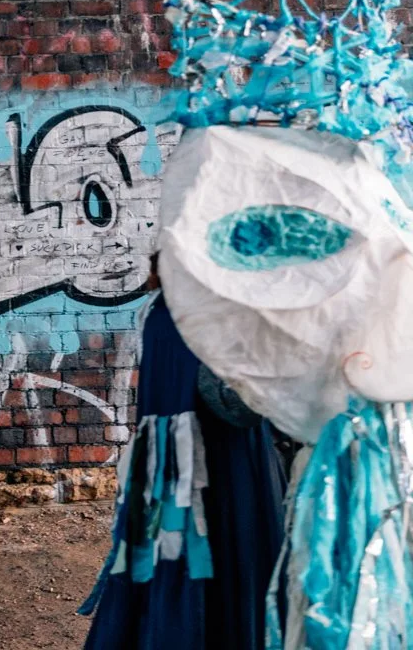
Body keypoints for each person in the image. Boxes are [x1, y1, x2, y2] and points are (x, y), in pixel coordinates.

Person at [79, 254, 287, 649]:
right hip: (222, 473)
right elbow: (237, 407)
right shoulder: (213, 312)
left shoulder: (157, 306)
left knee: (167, 578)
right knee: (224, 582)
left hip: (169, 474)